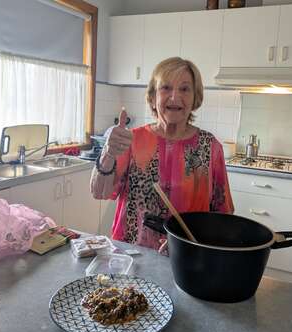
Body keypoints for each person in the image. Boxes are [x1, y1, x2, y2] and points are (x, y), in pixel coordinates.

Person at [90, 57, 234, 252]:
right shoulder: (132, 140)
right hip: (132, 255)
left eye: (184, 89)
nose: (174, 98)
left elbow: (223, 213)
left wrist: (190, 241)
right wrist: (108, 153)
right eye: (165, 88)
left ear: (195, 98)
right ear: (152, 97)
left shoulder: (210, 147)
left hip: (187, 258)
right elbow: (100, 192)